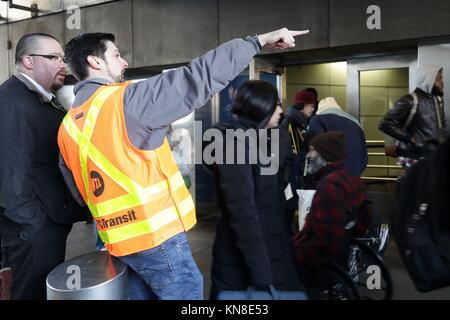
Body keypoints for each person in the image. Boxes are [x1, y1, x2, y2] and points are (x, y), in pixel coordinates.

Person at [58, 28, 309, 300]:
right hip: (158, 238)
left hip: (117, 243)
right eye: (116, 55)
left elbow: (77, 191)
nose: (124, 62)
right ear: (95, 62)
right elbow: (196, 77)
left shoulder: (69, 125)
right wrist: (257, 42)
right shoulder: (125, 101)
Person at [0, 33, 86, 300]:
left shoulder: (41, 99)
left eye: (62, 58)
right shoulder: (12, 103)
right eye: (53, 57)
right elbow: (10, 177)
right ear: (27, 61)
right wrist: (35, 224)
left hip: (46, 223)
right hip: (32, 231)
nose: (63, 64)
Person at [205, 80, 302, 299]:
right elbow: (243, 214)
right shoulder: (232, 143)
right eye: (275, 104)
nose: (280, 111)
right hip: (243, 262)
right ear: (260, 106)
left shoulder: (266, 138)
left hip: (270, 247)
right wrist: (263, 275)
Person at [293, 131, 372, 277]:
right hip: (342, 251)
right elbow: (363, 221)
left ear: (325, 154)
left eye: (312, 150)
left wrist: (298, 255)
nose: (308, 155)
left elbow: (325, 239)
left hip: (319, 259)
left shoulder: (329, 186)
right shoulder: (350, 179)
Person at [379, 64, 447, 168]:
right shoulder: (409, 100)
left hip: (433, 156)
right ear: (428, 79)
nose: (442, 83)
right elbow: (385, 124)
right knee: (416, 183)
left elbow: (441, 127)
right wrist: (410, 139)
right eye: (439, 79)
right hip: (413, 157)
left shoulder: (437, 101)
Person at [308, 97, 368, 176]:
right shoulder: (355, 122)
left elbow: (316, 151)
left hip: (330, 177)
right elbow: (363, 154)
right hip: (353, 176)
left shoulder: (317, 120)